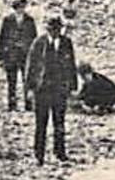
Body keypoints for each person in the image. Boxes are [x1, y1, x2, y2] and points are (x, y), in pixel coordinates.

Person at [25, 15, 77, 166]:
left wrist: (72, 87)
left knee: (59, 123)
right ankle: (38, 155)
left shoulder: (67, 43)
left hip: (59, 90)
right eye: (51, 29)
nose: (54, 32)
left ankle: (60, 153)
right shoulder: (38, 43)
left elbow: (71, 65)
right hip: (42, 90)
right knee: (41, 124)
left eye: (56, 29)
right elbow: (31, 67)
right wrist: (29, 89)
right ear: (47, 29)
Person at [0, 0, 38, 111]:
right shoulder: (8, 20)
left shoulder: (30, 20)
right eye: (19, 6)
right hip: (11, 55)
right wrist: (1, 56)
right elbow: (2, 39)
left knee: (27, 80)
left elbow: (34, 38)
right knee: (12, 81)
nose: (22, 9)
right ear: (15, 7)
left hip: (25, 55)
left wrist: (33, 55)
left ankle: (28, 104)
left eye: (23, 6)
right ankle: (12, 104)